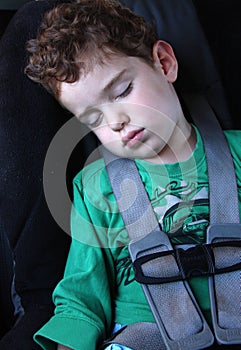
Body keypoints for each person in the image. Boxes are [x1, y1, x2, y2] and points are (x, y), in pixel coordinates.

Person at [25, 0, 241, 349]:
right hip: (143, 333)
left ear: (164, 63)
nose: (115, 122)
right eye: (93, 119)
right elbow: (82, 298)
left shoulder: (237, 154)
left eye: (122, 91)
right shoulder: (94, 187)